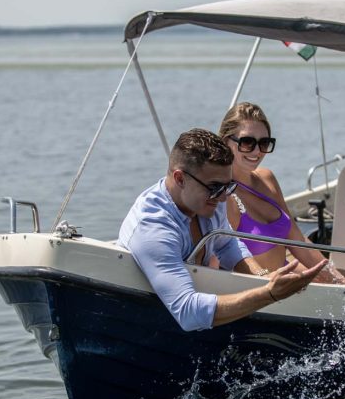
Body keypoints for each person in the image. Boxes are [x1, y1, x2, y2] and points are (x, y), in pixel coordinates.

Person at [117, 128, 327, 332]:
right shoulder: (153, 228)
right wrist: (269, 294)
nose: (224, 197)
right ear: (180, 178)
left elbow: (227, 243)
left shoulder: (211, 200)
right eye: (215, 187)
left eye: (229, 187)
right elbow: (188, 313)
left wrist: (262, 277)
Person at [218, 102, 345, 285]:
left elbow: (297, 238)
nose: (257, 151)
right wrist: (270, 285)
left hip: (287, 278)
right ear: (226, 141)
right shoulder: (224, 196)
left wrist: (339, 282)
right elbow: (224, 262)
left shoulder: (267, 178)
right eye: (247, 142)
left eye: (264, 143)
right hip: (262, 291)